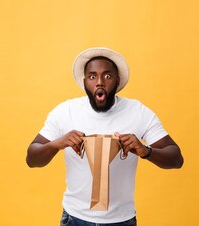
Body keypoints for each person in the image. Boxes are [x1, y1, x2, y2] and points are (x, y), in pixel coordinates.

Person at [26, 47, 184, 226]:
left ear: (117, 80)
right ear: (84, 81)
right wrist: (57, 144)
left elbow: (176, 158)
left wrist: (145, 150)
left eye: (107, 76)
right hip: (74, 218)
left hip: (121, 221)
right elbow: (32, 159)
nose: (99, 82)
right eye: (92, 76)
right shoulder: (65, 112)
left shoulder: (138, 112)